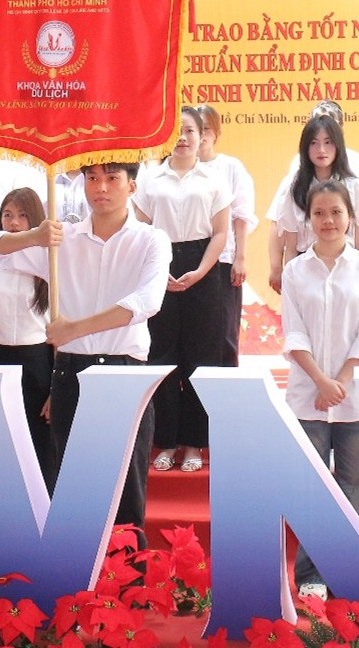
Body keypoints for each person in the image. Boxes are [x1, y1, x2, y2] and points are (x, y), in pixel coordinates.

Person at [0, 162, 172, 548]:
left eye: (112, 179)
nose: (101, 188)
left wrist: (74, 328)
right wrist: (33, 235)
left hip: (124, 370)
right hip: (71, 371)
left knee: (127, 483)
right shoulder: (60, 239)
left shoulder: (151, 240)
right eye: (92, 178)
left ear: (132, 186)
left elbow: (146, 302)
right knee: (71, 481)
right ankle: (76, 571)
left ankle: (127, 573)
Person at [281, 180, 359, 602]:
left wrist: (340, 381)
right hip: (307, 395)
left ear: (350, 217)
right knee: (313, 487)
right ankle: (311, 575)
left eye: (336, 212)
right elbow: (293, 334)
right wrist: (321, 382)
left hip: (354, 395)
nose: (328, 221)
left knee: (354, 483)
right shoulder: (294, 271)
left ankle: (345, 567)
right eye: (319, 213)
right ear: (309, 219)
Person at [134, 107, 231, 473]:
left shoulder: (214, 178)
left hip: (202, 267)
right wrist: (158, 273)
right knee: (162, 356)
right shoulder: (149, 179)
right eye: (176, 130)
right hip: (160, 265)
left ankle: (193, 443)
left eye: (189, 130)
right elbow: (141, 231)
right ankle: (166, 440)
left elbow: (221, 233)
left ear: (201, 135)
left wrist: (200, 271)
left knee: (201, 358)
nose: (183, 138)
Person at [0, 188, 55, 485]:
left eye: (22, 215)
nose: (14, 222)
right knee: (1, 443)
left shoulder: (49, 266)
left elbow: (59, 336)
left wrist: (55, 388)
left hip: (37, 362)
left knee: (38, 442)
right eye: (7, 215)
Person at [267, 114, 359, 292]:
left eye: (328, 142)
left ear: (338, 145)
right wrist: (285, 274)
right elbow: (290, 242)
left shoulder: (356, 186)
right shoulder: (294, 186)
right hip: (306, 268)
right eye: (314, 143)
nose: (321, 150)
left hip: (348, 266)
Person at [194, 105, 256, 370]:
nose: (201, 135)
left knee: (222, 333)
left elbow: (241, 215)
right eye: (195, 129)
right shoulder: (174, 168)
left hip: (222, 260)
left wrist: (240, 258)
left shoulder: (230, 167)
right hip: (186, 260)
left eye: (207, 129)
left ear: (216, 132)